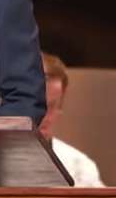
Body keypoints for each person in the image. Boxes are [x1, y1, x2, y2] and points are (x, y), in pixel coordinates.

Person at [40, 51, 104, 187]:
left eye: (51, 106)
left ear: (60, 106)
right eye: (36, 105)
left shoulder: (81, 167)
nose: (42, 115)